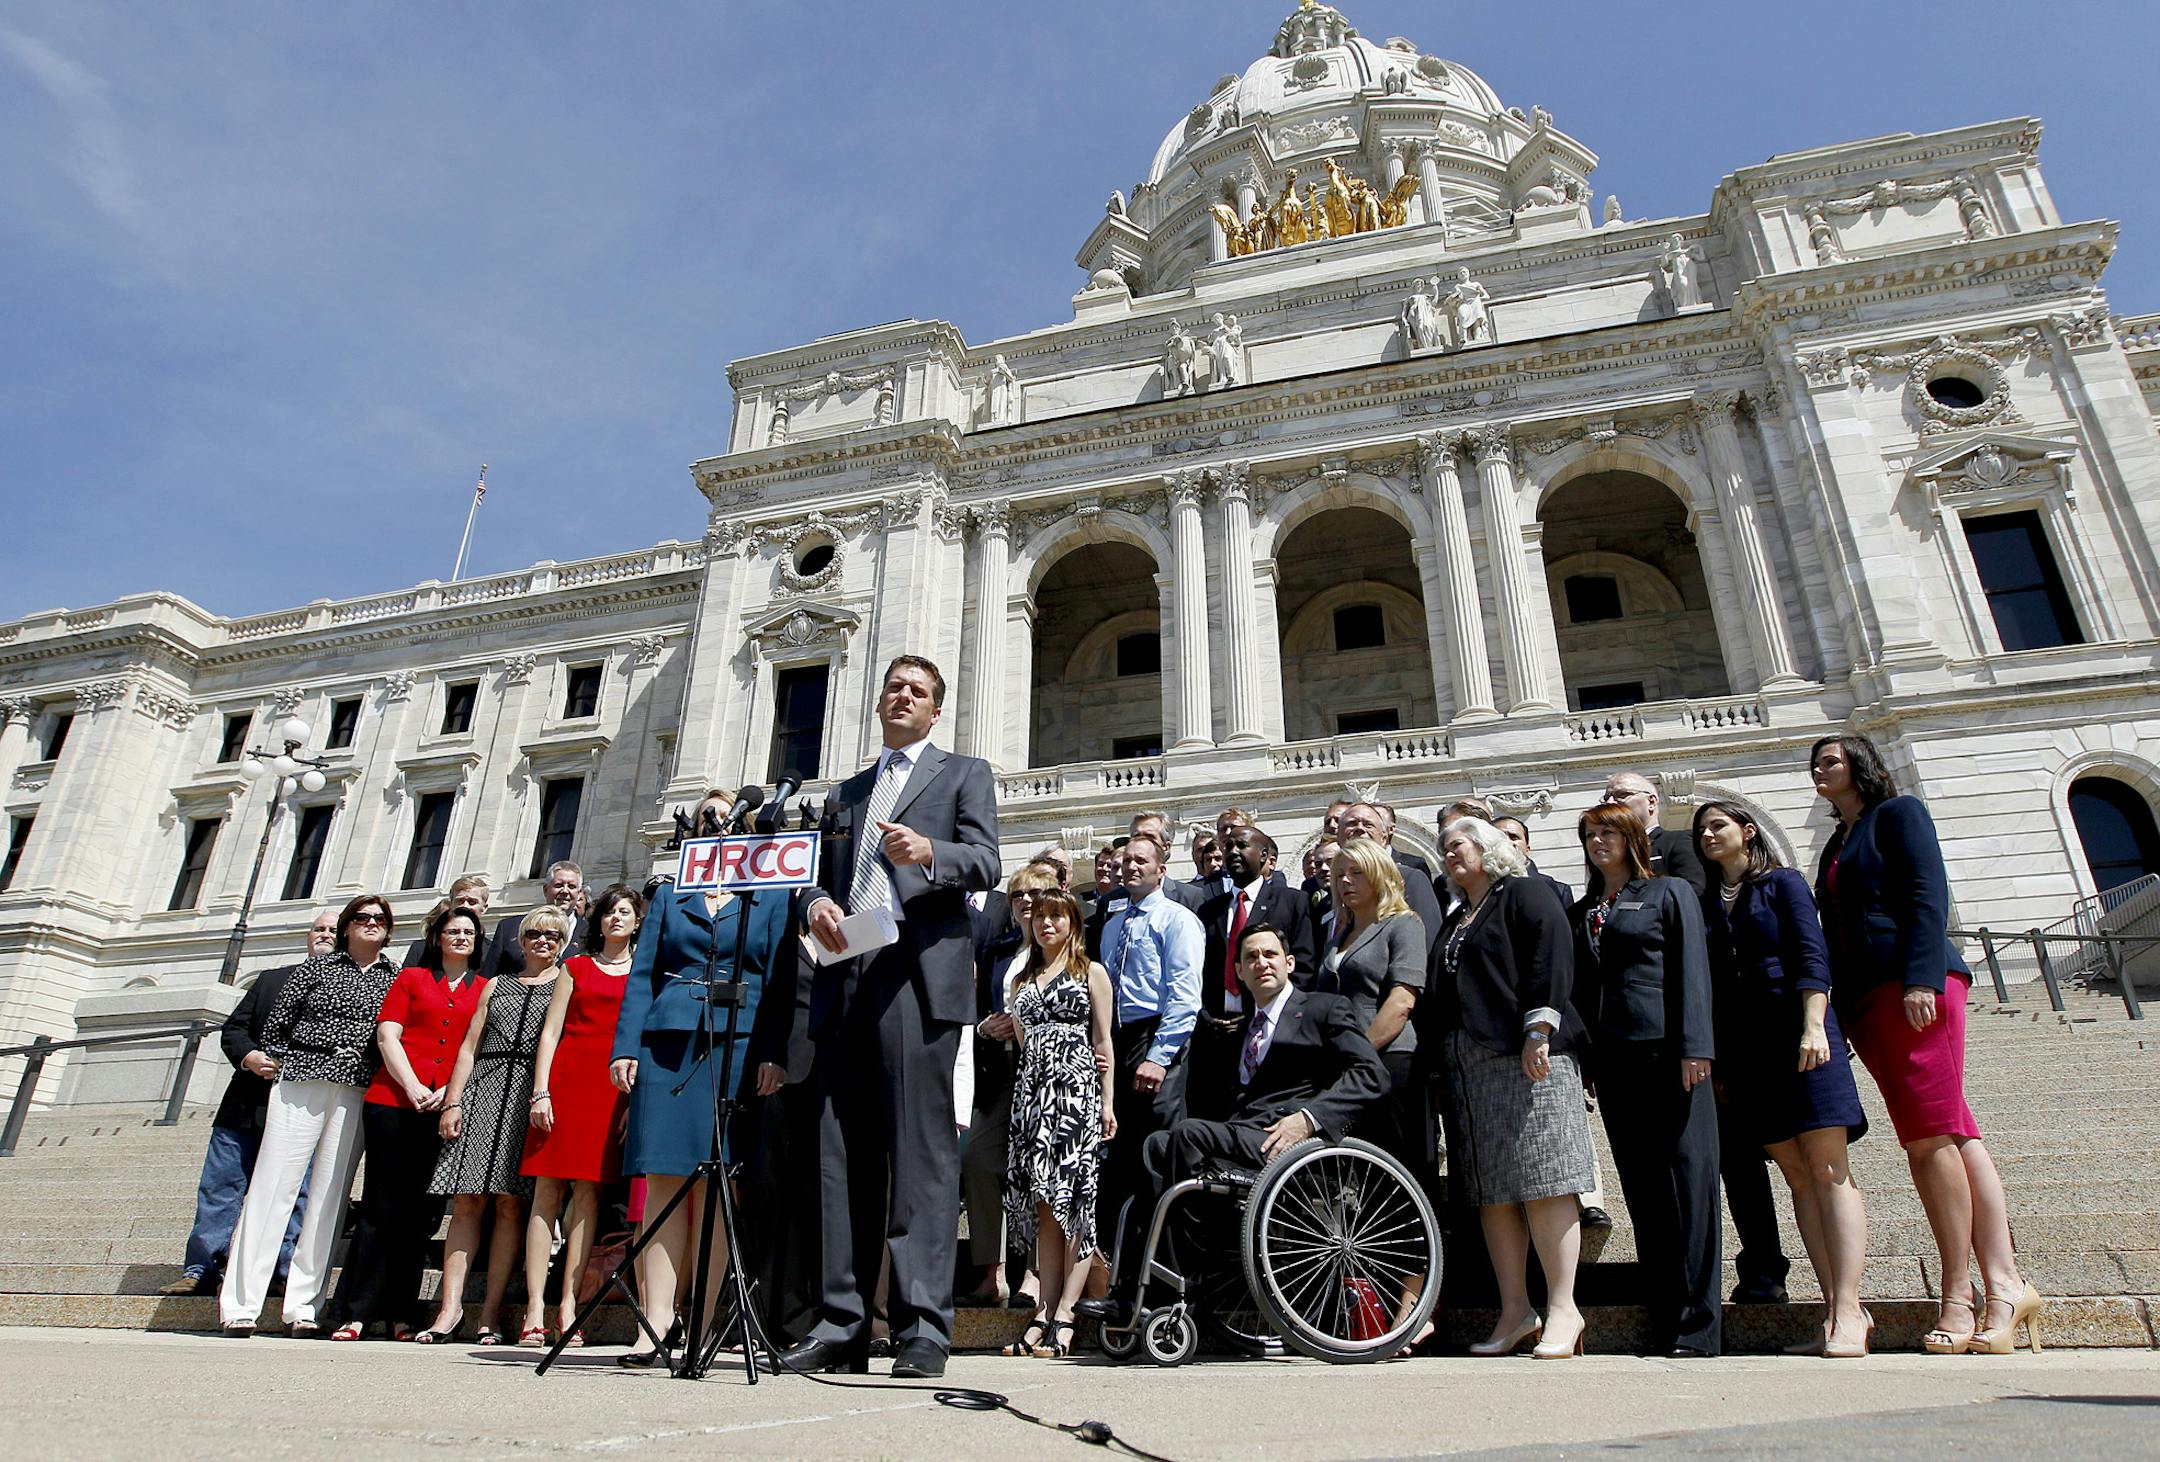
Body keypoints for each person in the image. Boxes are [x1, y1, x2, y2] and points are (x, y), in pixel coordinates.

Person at [782, 654, 1000, 1381]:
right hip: (847, 975)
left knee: (920, 1157)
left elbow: (987, 862)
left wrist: (930, 851)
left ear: (936, 711)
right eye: (894, 688)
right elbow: (818, 871)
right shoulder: (846, 794)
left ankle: (920, 1328)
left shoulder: (964, 773)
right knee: (839, 1156)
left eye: (918, 691)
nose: (902, 697)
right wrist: (813, 900)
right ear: (878, 704)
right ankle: (842, 1321)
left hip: (917, 975)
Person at [1810, 733, 2040, 1355]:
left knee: (1929, 1138)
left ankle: (1961, 1294)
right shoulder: (1837, 840)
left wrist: (1921, 978)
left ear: (1860, 765)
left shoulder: (1898, 813)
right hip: (1867, 1000)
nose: (1818, 770)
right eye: (1815, 763)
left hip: (1913, 986)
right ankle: (2007, 1283)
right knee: (1951, 1131)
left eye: (1830, 759)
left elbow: (1924, 893)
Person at [1078, 922, 1385, 1329]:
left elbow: (1371, 1074)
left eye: (1270, 954)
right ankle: (1143, 1287)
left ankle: (1182, 1280)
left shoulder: (1323, 1009)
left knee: (1187, 1135)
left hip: (1290, 1143)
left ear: (1289, 963)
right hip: (1243, 1139)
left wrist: (1309, 1119)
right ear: (1238, 972)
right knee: (1155, 1144)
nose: (1262, 963)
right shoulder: (1238, 1031)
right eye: (1251, 957)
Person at [1694, 800, 1872, 1358]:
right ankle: (1832, 1308)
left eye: (1718, 825)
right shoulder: (1706, 903)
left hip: (1800, 1035)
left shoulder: (1784, 883)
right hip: (1747, 1052)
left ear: (1748, 832)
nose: (1707, 835)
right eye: (1701, 830)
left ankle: (1849, 1309)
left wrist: (1816, 1025)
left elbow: (1810, 954)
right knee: (1797, 1176)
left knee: (1827, 1167)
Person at [1605, 770, 1781, 1302]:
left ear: (1651, 801)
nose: (1611, 802)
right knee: (1677, 1166)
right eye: (1606, 797)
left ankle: (1764, 1268)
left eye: (1622, 796)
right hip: (1659, 1033)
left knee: (1737, 1158)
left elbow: (1693, 920)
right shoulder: (1608, 875)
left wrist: (1698, 1039)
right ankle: (1682, 1283)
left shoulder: (1680, 848)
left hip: (1706, 1022)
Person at [608, 868, 793, 1367]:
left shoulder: (771, 896)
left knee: (717, 1184)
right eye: (710, 821)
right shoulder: (672, 894)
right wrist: (626, 1046)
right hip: (668, 1042)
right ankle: (655, 1321)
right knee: (664, 1178)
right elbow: (644, 971)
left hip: (738, 1041)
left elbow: (780, 979)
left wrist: (774, 1051)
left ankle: (704, 1321)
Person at [1434, 817, 1594, 1360]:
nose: (1449, 853)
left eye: (1459, 844)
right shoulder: (1458, 915)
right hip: (1471, 1069)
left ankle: (1565, 1308)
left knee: (1544, 1180)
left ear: (1489, 849)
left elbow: (1551, 957)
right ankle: (1514, 1310)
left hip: (1528, 1056)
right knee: (1491, 1190)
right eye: (1444, 848)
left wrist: (1539, 1029)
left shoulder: (1525, 892)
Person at [1571, 803, 1721, 1356]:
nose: (1597, 841)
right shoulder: (1584, 908)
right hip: (1614, 1063)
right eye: (1589, 834)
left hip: (1671, 1055)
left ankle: (1701, 1325)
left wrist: (1696, 1047)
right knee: (1644, 1188)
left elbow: (1691, 971)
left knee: (1690, 1185)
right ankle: (1665, 1317)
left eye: (1607, 831)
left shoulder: (1667, 892)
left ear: (1633, 835)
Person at [218, 894, 402, 1337]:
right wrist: (283, 1059)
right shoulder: (316, 969)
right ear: (346, 926)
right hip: (302, 1080)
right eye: (362, 917)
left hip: (356, 1088)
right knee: (273, 1186)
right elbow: (278, 1024)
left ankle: (303, 1304)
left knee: (330, 1195)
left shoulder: (394, 978)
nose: (371, 923)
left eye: (380, 918)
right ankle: (241, 1304)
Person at [327, 904, 487, 1340]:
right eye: (452, 931)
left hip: (443, 1106)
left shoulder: (485, 988)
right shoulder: (412, 978)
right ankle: (356, 1310)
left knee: (421, 1214)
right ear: (437, 938)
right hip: (393, 1100)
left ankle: (400, 1311)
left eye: (468, 933)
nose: (460, 938)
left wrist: (447, 1092)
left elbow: (474, 1049)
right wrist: (414, 1085)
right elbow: (387, 1035)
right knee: (381, 1207)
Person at [164, 913, 333, 1297]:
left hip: (302, 1110)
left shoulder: (349, 991)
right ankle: (202, 1268)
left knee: (296, 1194)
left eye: (333, 930)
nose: (324, 935)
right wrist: (251, 1056)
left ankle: (281, 1269)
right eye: (318, 929)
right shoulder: (271, 980)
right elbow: (235, 1029)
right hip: (245, 1106)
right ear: (308, 937)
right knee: (220, 1187)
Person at [428, 906, 565, 1345]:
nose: (542, 941)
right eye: (534, 935)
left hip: (529, 1093)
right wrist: (453, 1100)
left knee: (510, 1205)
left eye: (552, 935)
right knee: (467, 1202)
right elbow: (469, 1046)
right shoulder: (496, 985)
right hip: (484, 1087)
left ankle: (489, 1313)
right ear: (520, 941)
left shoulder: (565, 985)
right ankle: (448, 1311)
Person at [520, 883, 642, 1348]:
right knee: (546, 1194)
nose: (616, 919)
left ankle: (570, 1306)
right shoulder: (575, 967)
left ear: (636, 922)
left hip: (609, 1090)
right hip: (565, 1084)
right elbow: (550, 1033)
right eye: (610, 912)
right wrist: (541, 1093)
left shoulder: (642, 972)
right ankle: (535, 1307)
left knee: (589, 1195)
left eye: (625, 912)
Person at [1000, 889, 1117, 1358]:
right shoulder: (1022, 981)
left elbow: (1104, 1041)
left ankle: (1068, 1311)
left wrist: (1107, 1104)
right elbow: (1025, 1046)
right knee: (1045, 1208)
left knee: (1077, 1205)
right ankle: (1044, 1310)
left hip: (1076, 1096)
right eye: (1040, 917)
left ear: (1073, 922)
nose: (1046, 924)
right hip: (1033, 1099)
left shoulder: (1092, 972)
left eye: (1056, 917)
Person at [1089, 830, 1203, 1307]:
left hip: (1158, 1042)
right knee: (1120, 1168)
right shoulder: (1113, 923)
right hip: (1117, 1041)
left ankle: (1164, 1287)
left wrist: (1159, 1055)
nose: (1130, 867)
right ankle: (1123, 1284)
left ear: (1162, 868)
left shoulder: (1178, 920)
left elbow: (1184, 995)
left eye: (1141, 861)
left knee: (1157, 1163)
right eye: (1124, 861)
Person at [961, 864, 1062, 1309]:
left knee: (1041, 1171)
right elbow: (978, 1005)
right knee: (978, 1159)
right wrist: (986, 1027)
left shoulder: (1065, 952)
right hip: (999, 1073)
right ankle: (992, 1271)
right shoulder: (997, 949)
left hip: (1046, 1075)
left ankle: (1036, 1277)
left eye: (1035, 893)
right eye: (1017, 893)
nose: (1024, 901)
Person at [1323, 837, 1429, 1171]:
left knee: (1396, 1162)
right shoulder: (1339, 933)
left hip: (1389, 1059)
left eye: (1356, 872)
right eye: (1339, 874)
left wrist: (1360, 1052)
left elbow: (1402, 1001)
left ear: (1379, 875)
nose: (1344, 881)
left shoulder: (1404, 924)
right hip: (1345, 1064)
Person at [1199, 825, 1318, 1018]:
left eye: (1242, 845)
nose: (1233, 852)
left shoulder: (1292, 902)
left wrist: (1276, 1014)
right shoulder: (1210, 910)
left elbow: (1304, 967)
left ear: (1263, 855)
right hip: (1216, 1026)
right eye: (1228, 846)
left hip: (1270, 1021)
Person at [1341, 802, 1445, 955]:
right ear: (1338, 837)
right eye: (1351, 823)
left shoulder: (1410, 879)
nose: (1360, 828)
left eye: (1368, 825)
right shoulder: (1338, 886)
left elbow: (1429, 943)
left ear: (1384, 838)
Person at [491, 862, 587, 976]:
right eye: (558, 885)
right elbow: (487, 977)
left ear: (579, 893)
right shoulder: (509, 928)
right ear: (545, 890)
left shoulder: (592, 933)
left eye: (571, 886)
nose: (565, 891)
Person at [402, 874, 492, 972]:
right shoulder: (420, 949)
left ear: (484, 908)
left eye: (472, 902)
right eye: (460, 901)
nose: (465, 906)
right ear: (451, 904)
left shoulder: (492, 953)